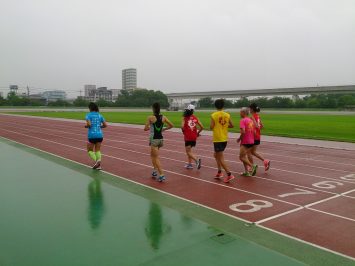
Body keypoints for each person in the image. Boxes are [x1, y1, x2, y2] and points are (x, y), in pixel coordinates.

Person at [144, 102, 174, 182]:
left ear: (153, 109)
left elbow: (145, 128)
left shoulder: (150, 117)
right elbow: (171, 125)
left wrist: (150, 126)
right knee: (152, 155)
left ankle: (161, 174)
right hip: (160, 139)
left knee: (156, 157)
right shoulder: (163, 117)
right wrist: (163, 129)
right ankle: (154, 171)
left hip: (154, 139)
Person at [210, 99, 235, 183]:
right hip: (224, 138)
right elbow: (232, 125)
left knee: (220, 158)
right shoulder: (227, 115)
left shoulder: (214, 115)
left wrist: (217, 126)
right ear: (223, 106)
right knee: (216, 155)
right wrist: (224, 125)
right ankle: (219, 172)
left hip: (217, 138)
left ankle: (229, 174)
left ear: (215, 106)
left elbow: (211, 126)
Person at [248, 103, 270, 171]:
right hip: (257, 136)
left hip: (253, 136)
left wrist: (253, 121)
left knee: (248, 152)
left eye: (249, 108)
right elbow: (262, 126)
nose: (249, 110)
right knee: (253, 152)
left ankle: (251, 167)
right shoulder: (258, 116)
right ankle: (265, 161)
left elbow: (256, 126)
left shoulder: (252, 117)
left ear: (252, 109)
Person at [85, 102, 107, 170]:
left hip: (92, 135)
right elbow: (105, 125)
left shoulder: (88, 115)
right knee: (98, 150)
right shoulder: (100, 115)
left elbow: (89, 125)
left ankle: (97, 162)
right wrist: (99, 126)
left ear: (90, 108)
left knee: (89, 150)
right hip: (100, 135)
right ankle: (99, 165)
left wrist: (86, 126)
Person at [181, 104, 204, 169]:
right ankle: (190, 164)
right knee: (190, 150)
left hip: (188, 136)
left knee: (188, 152)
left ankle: (197, 160)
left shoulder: (184, 118)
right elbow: (202, 127)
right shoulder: (195, 117)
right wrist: (197, 133)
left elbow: (182, 127)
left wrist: (184, 132)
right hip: (194, 136)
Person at [237, 107, 258, 176]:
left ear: (243, 113)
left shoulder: (242, 120)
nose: (239, 113)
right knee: (244, 156)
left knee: (241, 157)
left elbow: (243, 131)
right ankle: (246, 172)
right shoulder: (250, 120)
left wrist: (240, 139)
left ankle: (252, 166)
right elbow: (254, 132)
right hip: (251, 141)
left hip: (245, 141)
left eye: (240, 112)